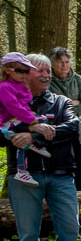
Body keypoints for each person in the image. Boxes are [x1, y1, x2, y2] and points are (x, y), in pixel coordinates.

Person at [3, 52, 81, 241]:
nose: (46, 75)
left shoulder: (60, 102)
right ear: (25, 74)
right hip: (23, 176)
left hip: (61, 174)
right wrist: (20, 134)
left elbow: (72, 128)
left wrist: (34, 136)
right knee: (28, 233)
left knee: (70, 229)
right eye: (39, 70)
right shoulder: (10, 99)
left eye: (48, 71)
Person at [1, 52, 50, 186]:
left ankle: (34, 144)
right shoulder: (4, 87)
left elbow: (24, 102)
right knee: (22, 140)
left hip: (19, 119)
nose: (23, 74)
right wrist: (30, 119)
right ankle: (21, 171)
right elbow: (14, 106)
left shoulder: (20, 85)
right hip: (7, 123)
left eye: (26, 71)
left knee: (43, 120)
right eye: (19, 71)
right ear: (7, 70)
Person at [47, 49, 81, 188]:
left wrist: (67, 111)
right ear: (52, 63)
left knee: (78, 160)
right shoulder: (47, 80)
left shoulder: (77, 79)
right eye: (60, 62)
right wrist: (71, 103)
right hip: (54, 128)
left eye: (67, 62)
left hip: (75, 128)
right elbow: (48, 106)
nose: (64, 65)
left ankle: (80, 192)